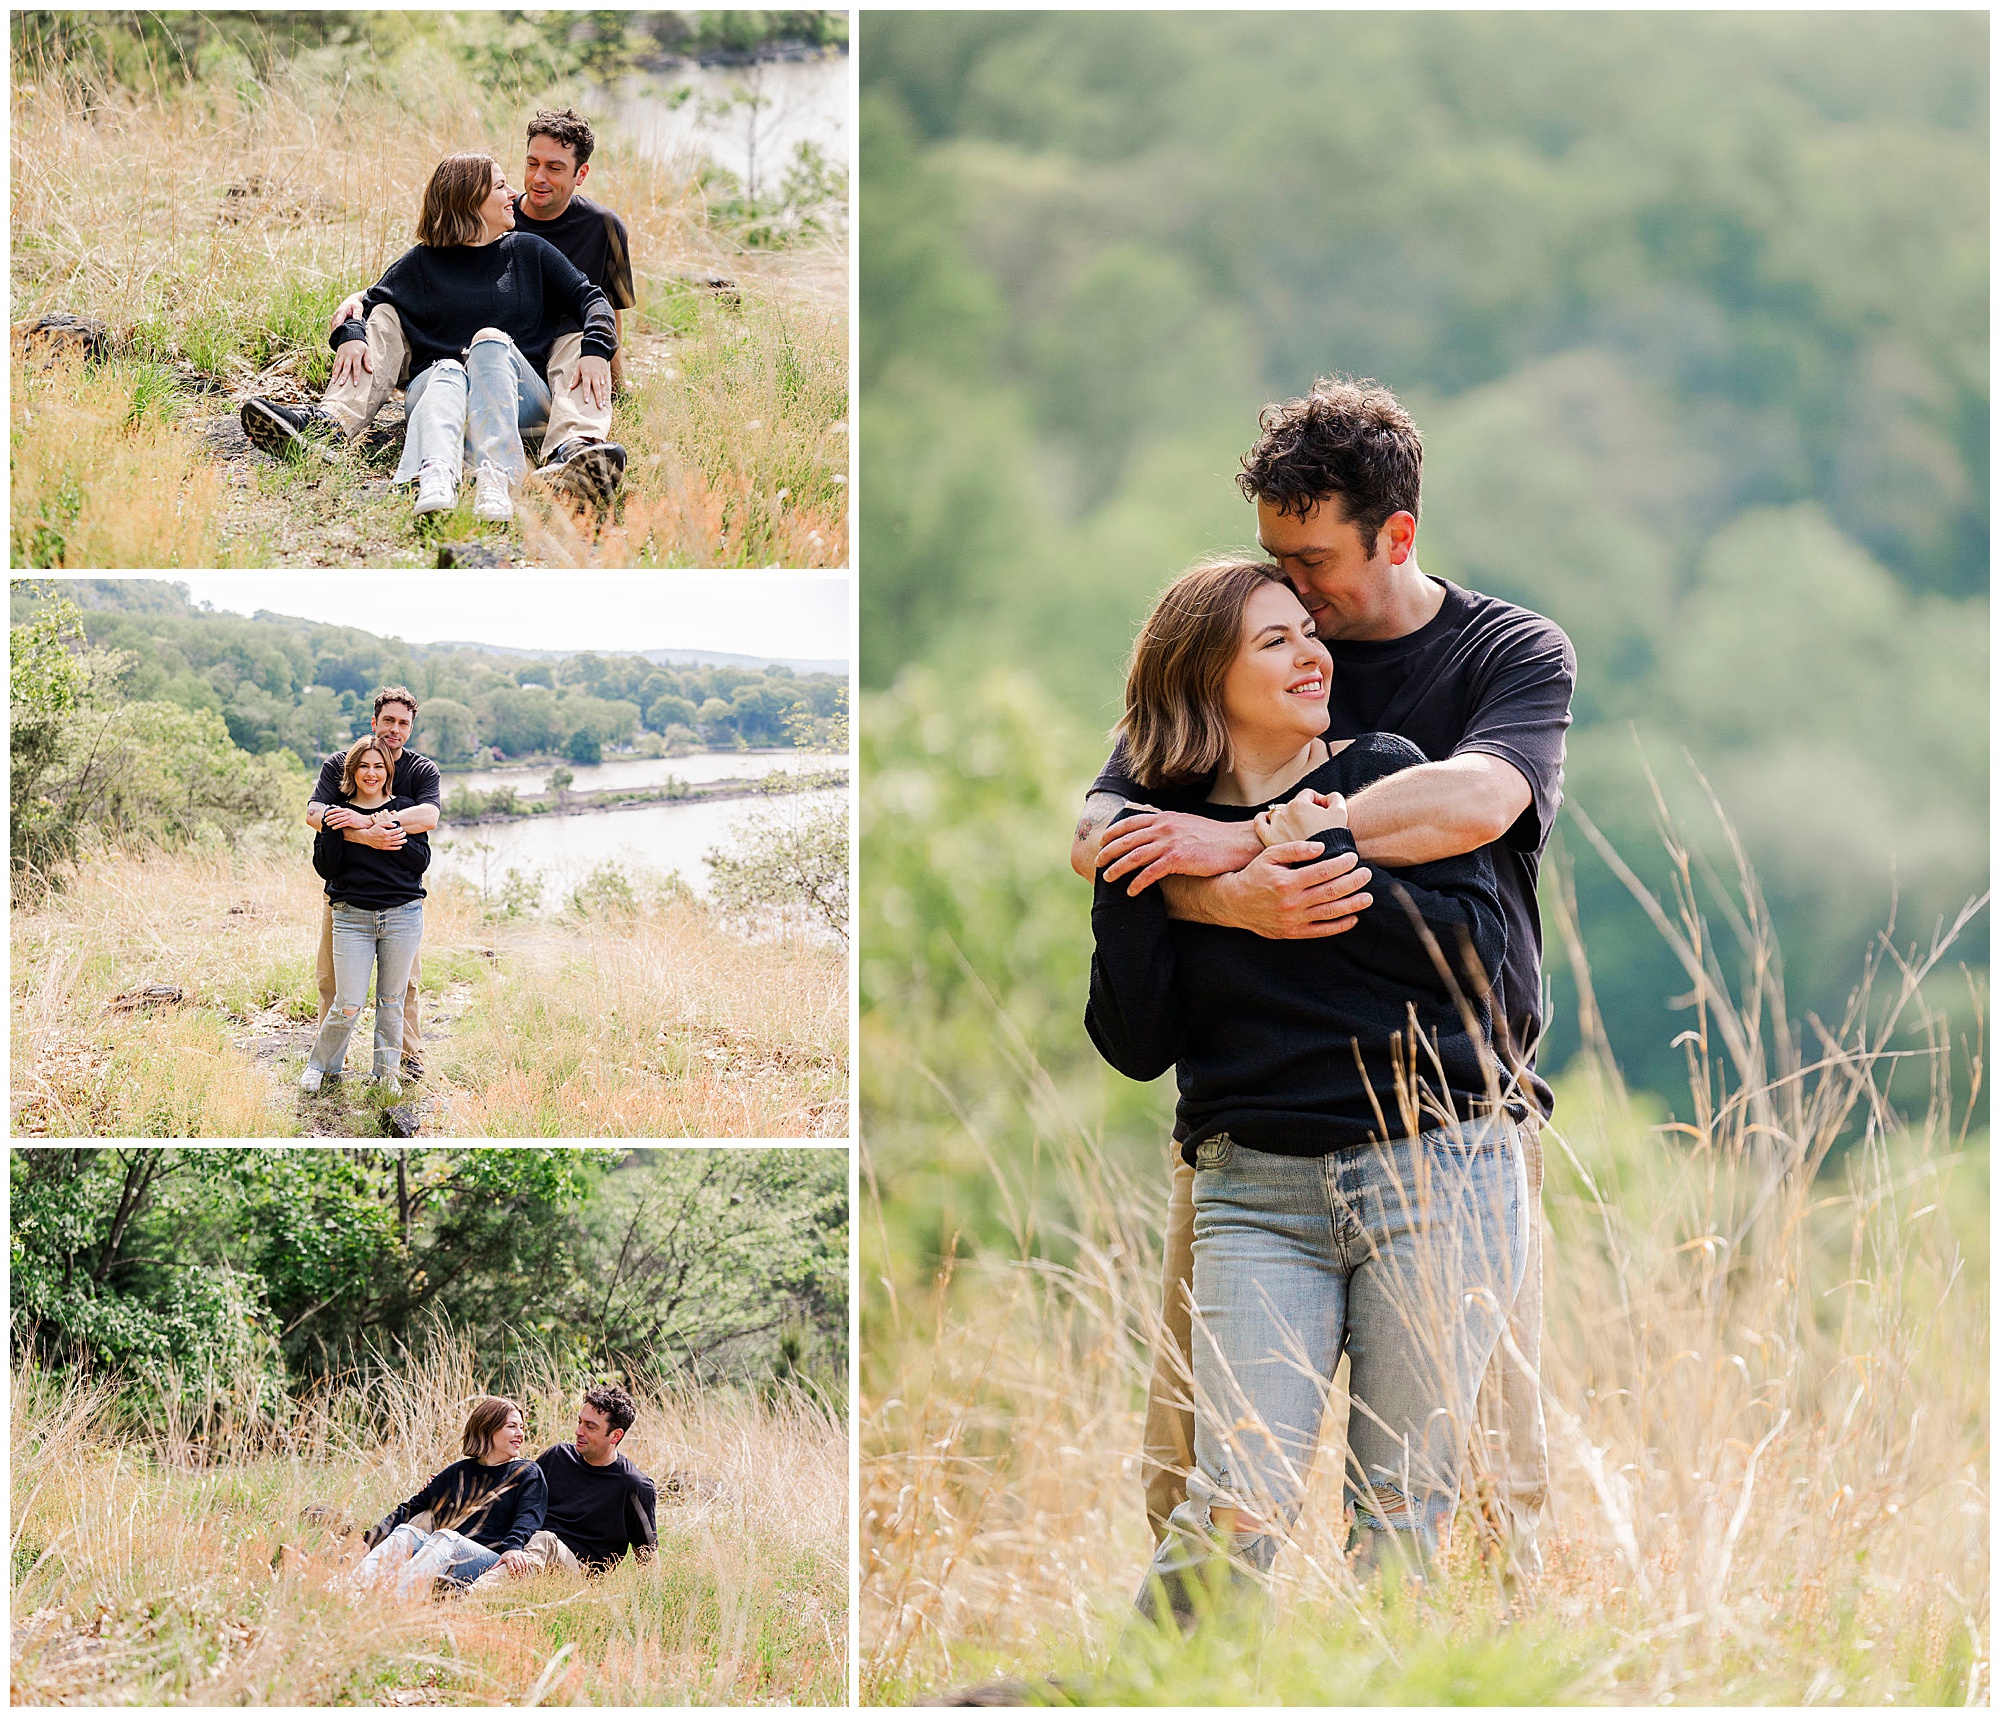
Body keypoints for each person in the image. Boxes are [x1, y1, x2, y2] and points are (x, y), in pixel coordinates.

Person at [1071, 377, 1575, 1587]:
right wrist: (1213, 889)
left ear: (1394, 537)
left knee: (1465, 1497)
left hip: (1450, 1129)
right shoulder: (1196, 720)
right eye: (1272, 570)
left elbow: (1483, 802)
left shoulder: (1498, 654)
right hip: (1255, 1156)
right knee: (1207, 1485)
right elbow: (1103, 830)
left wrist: (1260, 840)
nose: (1295, 597)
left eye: (1311, 566)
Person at [241, 108, 635, 507]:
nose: (528, 184)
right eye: (529, 165)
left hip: (520, 388)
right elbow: (377, 299)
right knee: (387, 317)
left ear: (578, 174)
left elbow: (596, 299)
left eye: (553, 167)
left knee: (571, 335)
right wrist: (352, 329)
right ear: (471, 201)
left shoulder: (539, 245)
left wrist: (601, 355)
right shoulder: (424, 261)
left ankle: (574, 448)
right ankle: (330, 424)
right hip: (441, 390)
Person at [305, 687, 442, 1083]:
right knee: (333, 983)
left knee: (403, 988)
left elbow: (429, 816)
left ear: (411, 728)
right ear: (374, 722)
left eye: (403, 723)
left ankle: (404, 1059)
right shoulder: (340, 765)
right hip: (347, 896)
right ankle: (328, 1063)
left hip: (399, 899)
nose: (395, 730)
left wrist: (380, 821)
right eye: (388, 721)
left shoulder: (421, 770)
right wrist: (364, 831)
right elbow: (315, 814)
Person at [348, 1396, 548, 1599]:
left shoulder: (526, 1472)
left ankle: (391, 1602)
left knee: (447, 1537)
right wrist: (370, 1539)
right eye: (512, 1426)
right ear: (488, 1428)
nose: (520, 1434)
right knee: (406, 1532)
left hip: (490, 1561)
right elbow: (412, 1507)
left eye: (521, 1427)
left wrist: (513, 1547)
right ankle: (341, 1593)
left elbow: (529, 1516)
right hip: (443, 1553)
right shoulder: (460, 1471)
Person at [470, 1383, 658, 1588]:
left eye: (590, 1426)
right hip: (529, 1555)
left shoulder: (635, 1486)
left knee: (545, 1540)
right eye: (580, 1422)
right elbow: (515, 1497)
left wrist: (650, 1601)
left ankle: (466, 1598)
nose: (579, 1431)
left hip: (579, 1576)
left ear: (616, 1436)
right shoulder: (557, 1456)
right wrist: (445, 1488)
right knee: (448, 1539)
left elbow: (647, 1557)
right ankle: (442, 1587)